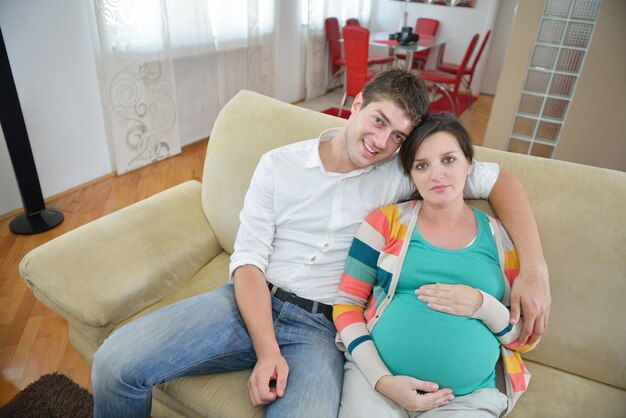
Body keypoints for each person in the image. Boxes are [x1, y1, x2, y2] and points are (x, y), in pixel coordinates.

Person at [91, 69, 549, 418]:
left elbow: (498, 181)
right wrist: (267, 350)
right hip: (248, 302)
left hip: (324, 333)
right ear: (356, 102)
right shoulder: (279, 165)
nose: (380, 142)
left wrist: (534, 271)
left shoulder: (404, 172)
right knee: (114, 363)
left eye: (398, 137)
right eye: (378, 120)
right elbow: (247, 261)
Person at [333, 113, 539, 418]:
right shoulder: (384, 223)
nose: (436, 175)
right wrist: (382, 379)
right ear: (411, 175)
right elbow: (346, 304)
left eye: (449, 160)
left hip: (465, 401)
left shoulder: (502, 239)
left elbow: (525, 339)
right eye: (422, 165)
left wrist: (483, 305)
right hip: (376, 384)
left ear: (470, 164)